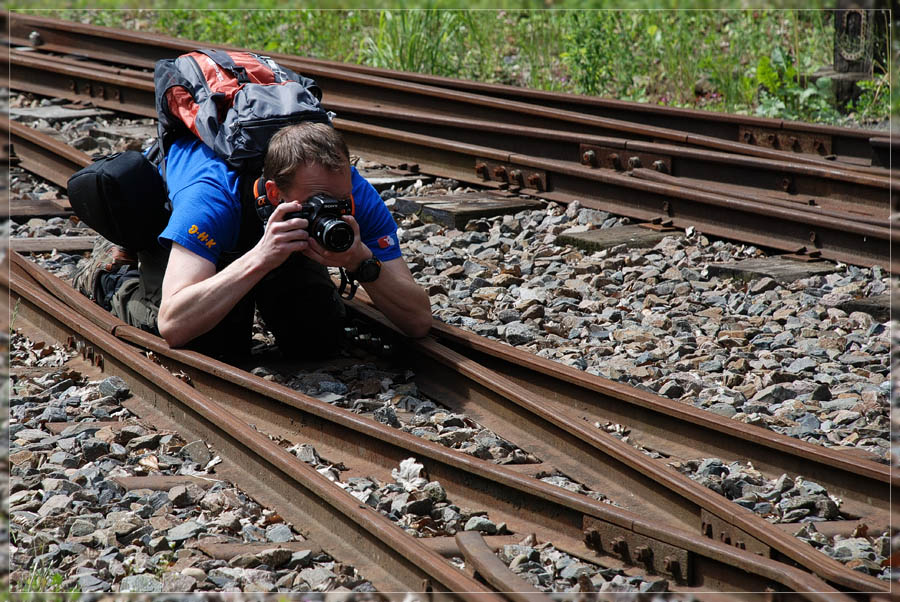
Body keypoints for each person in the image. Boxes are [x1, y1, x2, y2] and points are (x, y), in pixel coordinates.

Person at [73, 122, 432, 359]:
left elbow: (417, 320)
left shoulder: (353, 195)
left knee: (317, 339)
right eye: (314, 204)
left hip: (269, 234)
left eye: (337, 201)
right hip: (202, 228)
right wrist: (261, 257)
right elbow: (173, 324)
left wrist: (360, 261)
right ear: (275, 193)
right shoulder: (209, 200)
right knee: (213, 344)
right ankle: (109, 278)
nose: (331, 211)